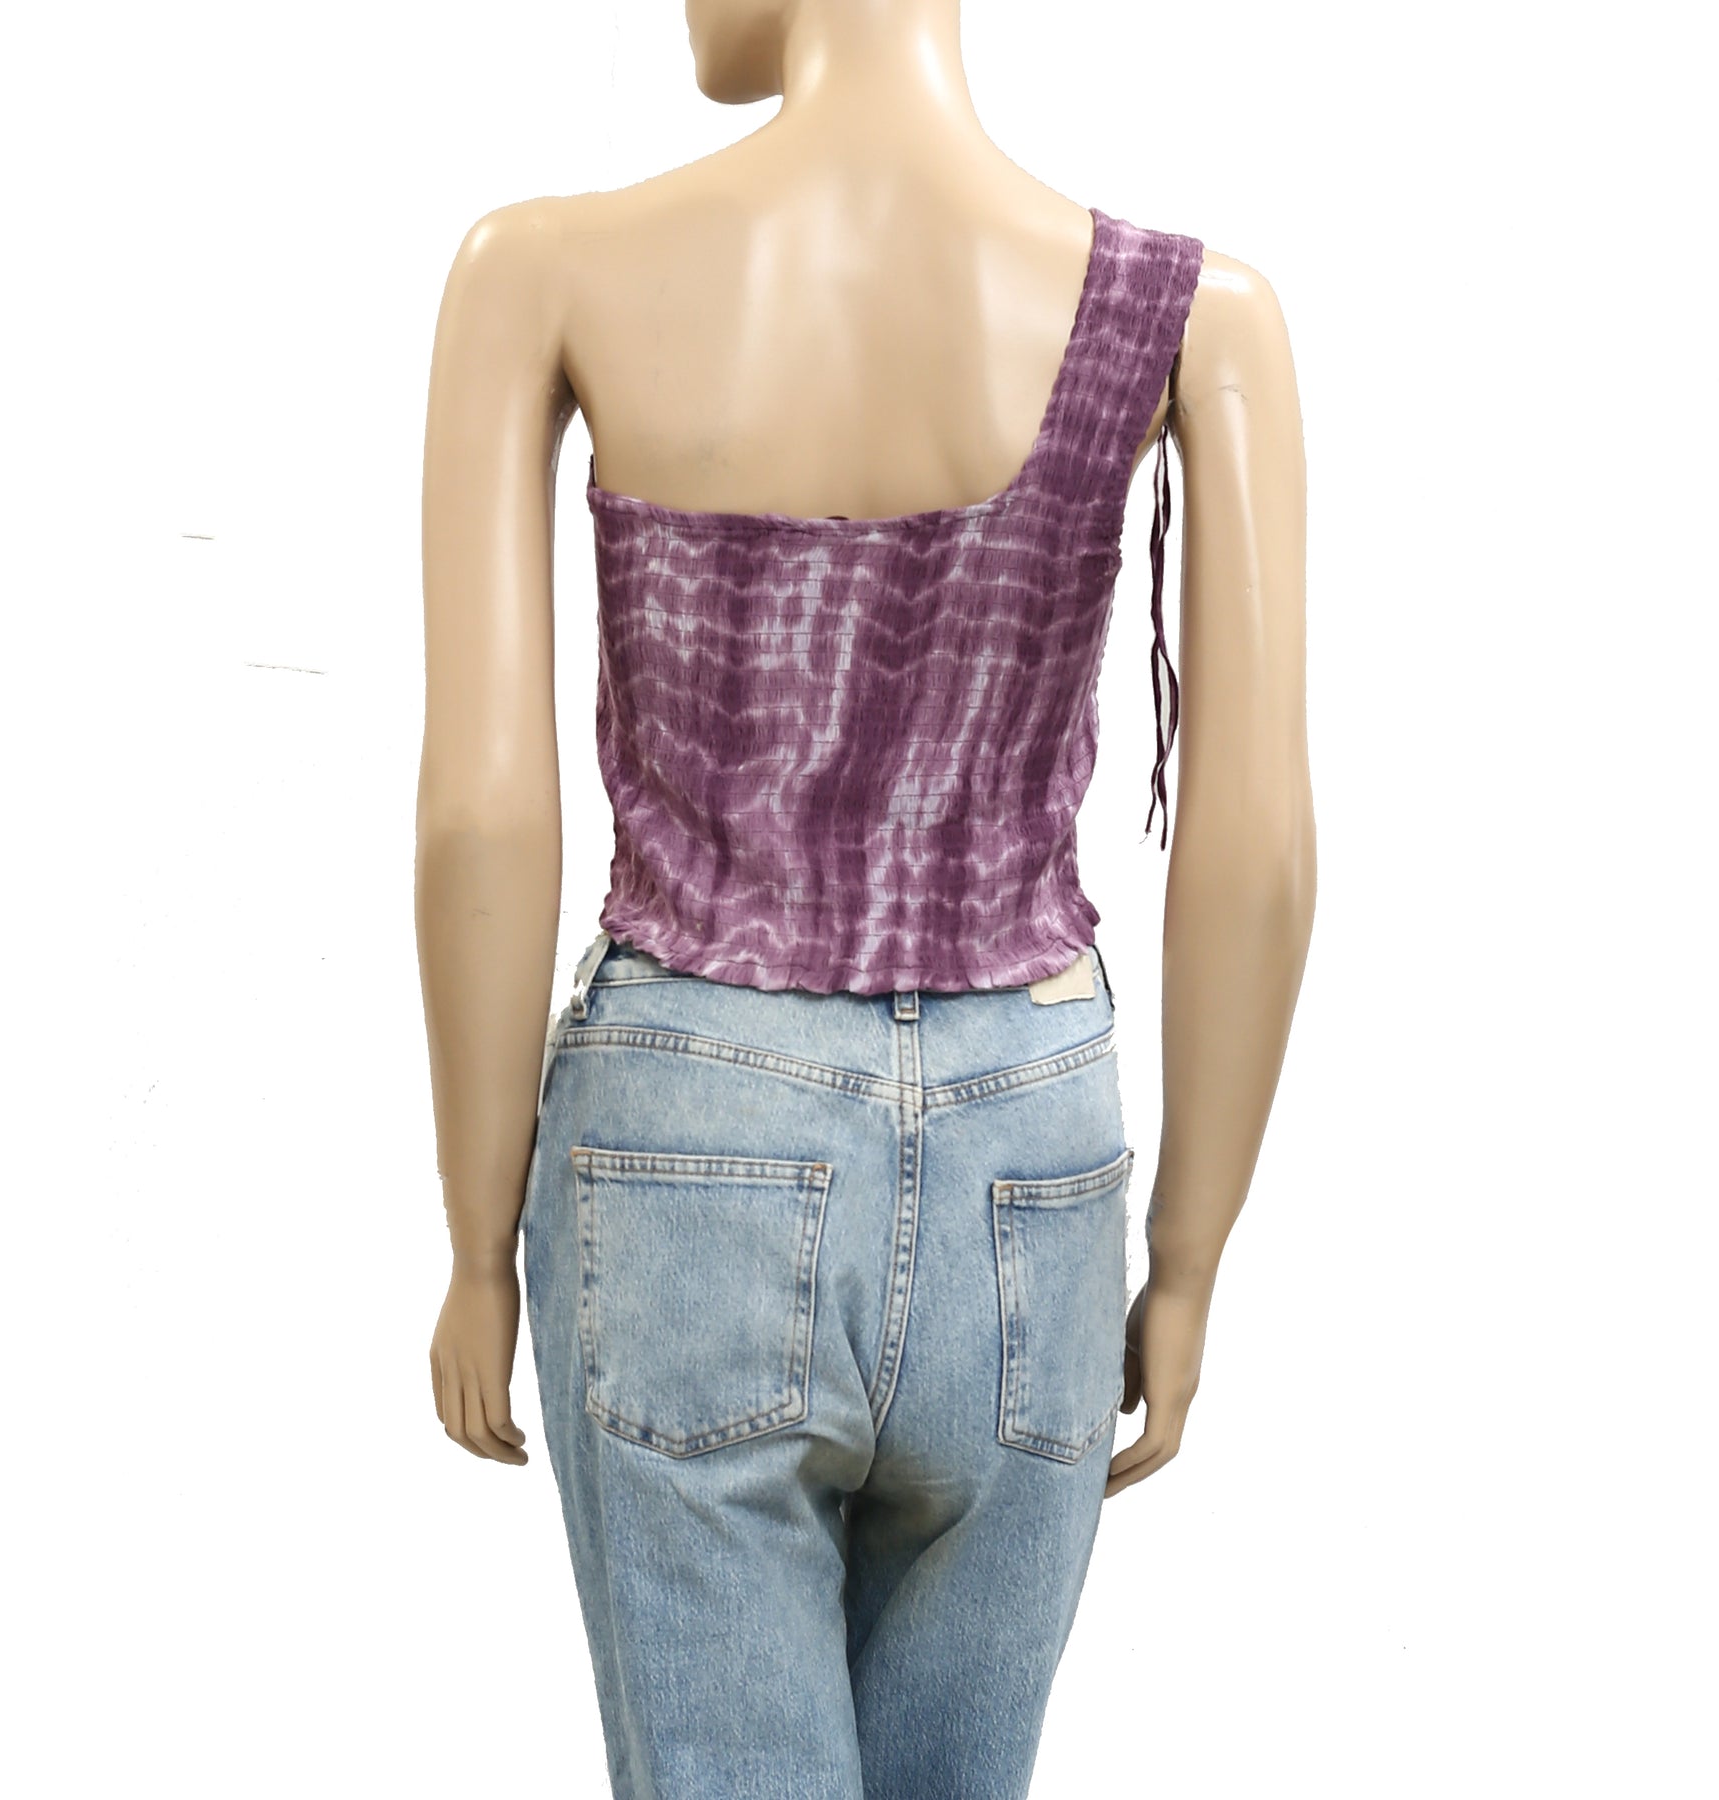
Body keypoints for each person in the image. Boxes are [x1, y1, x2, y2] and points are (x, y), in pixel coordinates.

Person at [417, 5, 1313, 1795]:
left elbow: (478, 819)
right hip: (1031, 1172)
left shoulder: (543, 271)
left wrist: (473, 1239)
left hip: (687, 1139)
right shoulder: (1197, 316)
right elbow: (1262, 843)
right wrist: (1192, 1253)